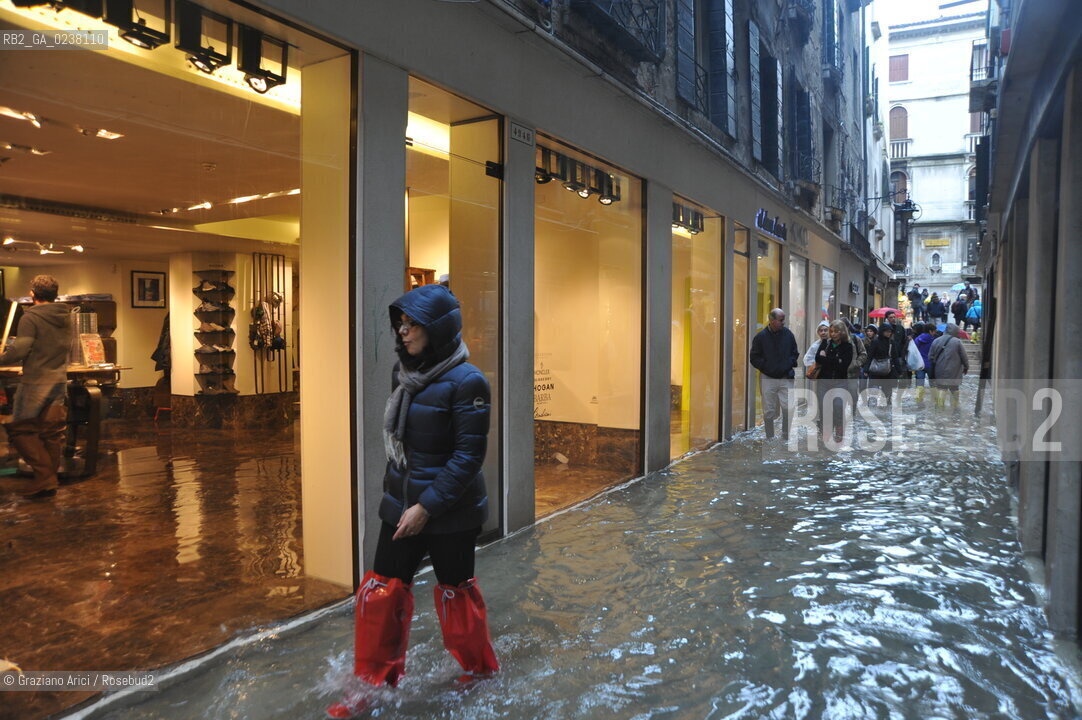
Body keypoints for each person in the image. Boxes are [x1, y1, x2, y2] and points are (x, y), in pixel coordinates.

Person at [328, 284, 498, 719]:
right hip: (401, 503)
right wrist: (402, 500)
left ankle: (478, 670)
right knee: (381, 592)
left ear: (438, 328)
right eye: (400, 324)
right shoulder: (402, 375)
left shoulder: (469, 381)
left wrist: (427, 507)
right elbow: (399, 444)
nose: (403, 332)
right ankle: (371, 684)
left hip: (450, 511)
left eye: (413, 325)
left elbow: (468, 457)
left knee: (457, 594)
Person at [0, 275, 71, 500]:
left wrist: (2, 358)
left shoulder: (30, 317)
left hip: (36, 382)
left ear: (32, 294)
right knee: (52, 433)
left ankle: (45, 478)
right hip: (59, 380)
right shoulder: (65, 316)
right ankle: (49, 480)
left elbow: (20, 350)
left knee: (20, 429)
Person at [750, 308, 799, 440]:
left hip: (786, 377)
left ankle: (785, 436)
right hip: (768, 377)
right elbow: (754, 357)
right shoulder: (761, 337)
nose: (783, 322)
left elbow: (795, 352)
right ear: (772, 321)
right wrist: (767, 367)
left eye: (784, 319)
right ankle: (770, 437)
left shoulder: (788, 334)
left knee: (789, 408)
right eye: (781, 320)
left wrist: (788, 364)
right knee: (768, 410)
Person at [813, 320, 854, 442]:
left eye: (836, 331)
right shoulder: (825, 343)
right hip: (824, 382)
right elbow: (818, 358)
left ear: (842, 332)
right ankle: (826, 433)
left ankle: (839, 431)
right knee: (824, 408)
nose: (833, 334)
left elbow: (843, 365)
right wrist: (836, 360)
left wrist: (827, 359)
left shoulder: (848, 346)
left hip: (840, 382)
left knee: (838, 407)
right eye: (831, 331)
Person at [928, 323, 969, 410]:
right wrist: (966, 367)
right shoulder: (957, 342)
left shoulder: (936, 341)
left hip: (940, 371)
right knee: (954, 389)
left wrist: (938, 363)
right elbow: (964, 357)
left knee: (941, 388)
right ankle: (955, 409)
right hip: (955, 372)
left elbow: (930, 357)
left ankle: (939, 408)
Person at [866, 322, 899, 406]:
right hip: (875, 370)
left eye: (890, 332)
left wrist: (899, 370)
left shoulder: (891, 342)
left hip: (888, 370)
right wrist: (866, 369)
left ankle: (886, 407)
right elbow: (870, 356)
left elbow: (895, 356)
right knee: (873, 390)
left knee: (887, 391)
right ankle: (872, 407)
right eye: (887, 331)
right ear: (882, 331)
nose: (889, 333)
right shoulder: (875, 341)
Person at [913, 322, 936, 402]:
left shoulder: (917, 339)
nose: (935, 333)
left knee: (919, 383)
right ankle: (934, 400)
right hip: (930, 364)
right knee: (933, 383)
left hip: (919, 364)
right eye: (934, 331)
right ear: (930, 331)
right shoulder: (933, 340)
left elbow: (914, 351)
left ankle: (918, 401)